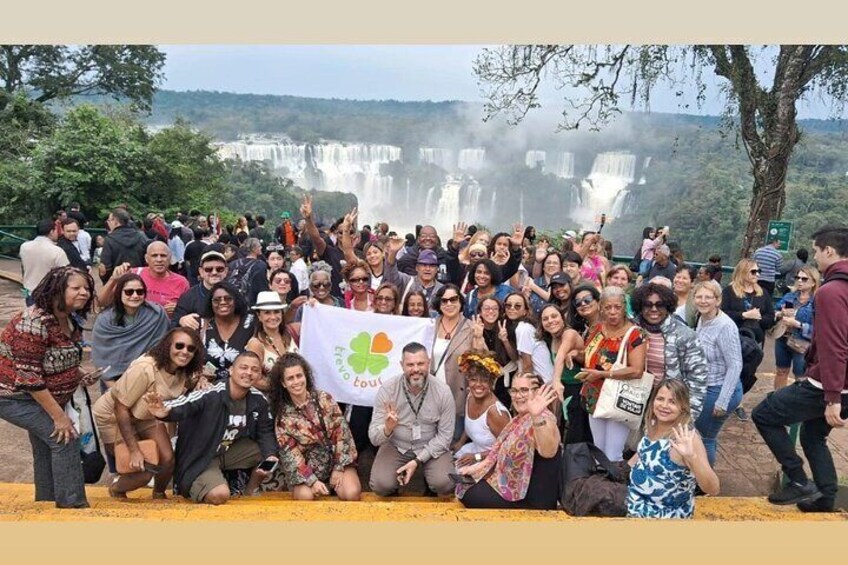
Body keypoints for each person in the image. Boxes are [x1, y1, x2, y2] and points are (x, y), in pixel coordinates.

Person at [752, 225, 848, 513]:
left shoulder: (831, 291)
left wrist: (832, 396)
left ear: (829, 251)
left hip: (828, 385)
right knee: (812, 434)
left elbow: (835, 346)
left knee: (765, 414)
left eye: (817, 251)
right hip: (842, 384)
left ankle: (797, 479)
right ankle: (825, 497)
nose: (816, 258)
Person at [0, 266, 96, 508]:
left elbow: (58, 356)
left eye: (86, 288)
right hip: (13, 397)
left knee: (45, 446)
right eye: (76, 288)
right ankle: (72, 506)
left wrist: (78, 374)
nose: (84, 292)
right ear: (56, 291)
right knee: (64, 439)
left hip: (41, 394)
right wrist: (60, 417)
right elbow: (29, 378)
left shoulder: (69, 318)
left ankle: (46, 503)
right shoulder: (32, 323)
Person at [144, 351, 278, 505]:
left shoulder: (258, 399)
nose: (248, 373)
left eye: (255, 370)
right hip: (202, 456)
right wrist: (165, 411)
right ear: (231, 370)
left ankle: (250, 490)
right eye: (244, 367)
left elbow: (265, 432)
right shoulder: (212, 392)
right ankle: (200, 483)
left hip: (227, 452)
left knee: (268, 450)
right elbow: (186, 403)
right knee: (219, 495)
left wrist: (270, 455)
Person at [93, 328, 205, 498]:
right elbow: (120, 407)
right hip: (114, 416)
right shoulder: (145, 368)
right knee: (142, 472)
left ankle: (159, 495)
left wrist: (201, 381)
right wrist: (134, 449)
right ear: (167, 346)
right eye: (179, 346)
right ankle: (117, 490)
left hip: (145, 414)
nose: (185, 352)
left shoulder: (186, 370)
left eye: (191, 349)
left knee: (167, 460)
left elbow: (182, 390)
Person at [455, 373, 561, 509]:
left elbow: (548, 451)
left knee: (468, 493)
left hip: (532, 498)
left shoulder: (545, 418)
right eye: (515, 391)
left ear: (537, 393)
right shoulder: (519, 419)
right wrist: (477, 467)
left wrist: (536, 417)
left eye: (524, 390)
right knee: (464, 484)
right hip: (512, 487)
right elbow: (499, 453)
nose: (518, 395)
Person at [269, 353, 361, 500]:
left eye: (299, 376)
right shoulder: (283, 418)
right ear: (283, 383)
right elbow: (291, 456)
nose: (296, 381)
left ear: (306, 376)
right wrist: (312, 481)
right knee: (306, 497)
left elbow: (342, 433)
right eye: (290, 378)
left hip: (337, 463)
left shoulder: (325, 398)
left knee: (351, 493)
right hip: (308, 471)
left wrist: (338, 468)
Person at [368, 342, 456, 497]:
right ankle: (394, 485)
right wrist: (387, 429)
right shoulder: (388, 389)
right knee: (380, 485)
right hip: (396, 445)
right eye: (410, 364)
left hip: (429, 446)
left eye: (420, 363)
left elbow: (445, 437)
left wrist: (418, 460)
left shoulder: (443, 391)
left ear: (429, 363)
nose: (416, 369)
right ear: (402, 365)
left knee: (444, 482)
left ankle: (430, 485)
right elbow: (374, 438)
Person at [627, 379, 720, 518]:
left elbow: (713, 489)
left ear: (683, 407)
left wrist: (692, 458)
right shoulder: (652, 425)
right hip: (634, 506)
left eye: (672, 402)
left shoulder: (687, 438)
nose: (664, 406)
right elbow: (643, 454)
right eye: (660, 399)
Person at [578, 286, 647, 462]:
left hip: (619, 398)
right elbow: (588, 356)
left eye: (617, 307)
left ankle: (613, 488)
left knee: (613, 453)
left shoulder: (635, 333)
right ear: (601, 308)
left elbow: (637, 370)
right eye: (608, 307)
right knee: (598, 449)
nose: (613, 312)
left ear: (625, 307)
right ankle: (599, 487)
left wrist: (602, 375)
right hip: (594, 395)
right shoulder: (597, 329)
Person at [631, 283, 707, 419]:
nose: (654, 309)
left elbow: (698, 378)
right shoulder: (630, 329)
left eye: (660, 305)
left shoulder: (685, 335)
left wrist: (689, 417)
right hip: (633, 401)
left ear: (668, 307)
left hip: (668, 407)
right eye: (648, 305)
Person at [691, 280, 743, 466]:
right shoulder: (702, 318)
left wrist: (722, 401)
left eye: (708, 297)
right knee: (700, 434)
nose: (703, 301)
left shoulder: (725, 326)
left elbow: (735, 364)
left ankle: (704, 483)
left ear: (718, 300)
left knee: (705, 437)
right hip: (706, 386)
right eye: (699, 296)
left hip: (720, 389)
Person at [92, 273, 170, 388]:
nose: (135, 295)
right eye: (129, 292)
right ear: (119, 293)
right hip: (113, 382)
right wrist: (115, 390)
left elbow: (164, 347)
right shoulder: (105, 320)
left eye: (140, 292)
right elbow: (101, 359)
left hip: (150, 379)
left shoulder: (157, 314)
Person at [430, 285, 487, 436]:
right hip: (430, 396)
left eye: (453, 299)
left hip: (457, 396)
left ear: (461, 301)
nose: (449, 304)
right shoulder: (430, 325)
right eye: (444, 301)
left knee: (452, 442)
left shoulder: (471, 327)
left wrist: (478, 338)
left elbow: (483, 363)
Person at [542, 304, 592, 444]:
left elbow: (560, 356)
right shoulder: (552, 338)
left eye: (554, 316)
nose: (550, 321)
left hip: (580, 390)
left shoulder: (569, 333)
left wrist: (556, 381)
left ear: (562, 318)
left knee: (577, 436)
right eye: (545, 318)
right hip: (566, 390)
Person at [100, 241, 189, 319]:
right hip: (133, 330)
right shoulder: (134, 274)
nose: (159, 260)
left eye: (163, 256)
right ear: (146, 258)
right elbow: (102, 302)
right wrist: (113, 279)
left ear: (170, 259)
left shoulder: (181, 282)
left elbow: (188, 312)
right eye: (154, 256)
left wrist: (178, 310)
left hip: (164, 333)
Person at [452, 350, 511, 465]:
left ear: (491, 382)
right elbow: (472, 426)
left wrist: (477, 457)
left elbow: (508, 449)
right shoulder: (470, 396)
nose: (478, 385)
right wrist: (460, 443)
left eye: (484, 380)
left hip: (494, 461)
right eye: (473, 379)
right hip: (473, 451)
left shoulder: (496, 413)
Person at [773, 265, 819, 389]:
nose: (799, 280)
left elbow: (820, 329)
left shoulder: (818, 301)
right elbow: (774, 311)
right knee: (781, 371)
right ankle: (778, 402)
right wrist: (780, 313)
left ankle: (797, 406)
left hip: (802, 344)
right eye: (797, 277)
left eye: (804, 279)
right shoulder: (789, 296)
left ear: (814, 282)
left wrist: (799, 325)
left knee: (801, 378)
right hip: (782, 339)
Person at [201, 282, 256, 383]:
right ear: (210, 303)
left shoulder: (251, 322)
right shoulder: (202, 325)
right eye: (217, 300)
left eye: (228, 298)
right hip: (209, 389)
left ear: (236, 300)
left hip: (245, 388)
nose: (222, 302)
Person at [246, 291, 299, 389]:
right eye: (267, 313)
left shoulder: (290, 333)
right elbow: (254, 379)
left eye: (276, 311)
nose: (273, 317)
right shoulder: (256, 344)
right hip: (271, 399)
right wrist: (282, 388)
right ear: (259, 316)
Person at [721, 258, 775, 347]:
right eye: (753, 272)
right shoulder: (729, 291)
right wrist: (743, 315)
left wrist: (758, 318)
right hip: (732, 338)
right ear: (743, 272)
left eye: (759, 271)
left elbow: (770, 317)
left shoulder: (763, 292)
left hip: (755, 340)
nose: (757, 274)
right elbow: (722, 314)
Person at [174, 251, 230, 330]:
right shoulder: (188, 297)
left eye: (219, 269)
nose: (214, 272)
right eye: (208, 269)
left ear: (226, 271)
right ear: (201, 271)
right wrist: (182, 320)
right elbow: (174, 324)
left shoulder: (235, 295)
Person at [384, 237, 444, 309]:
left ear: (437, 269)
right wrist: (393, 253)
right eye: (424, 265)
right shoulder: (407, 281)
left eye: (432, 266)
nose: (427, 269)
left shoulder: (443, 290)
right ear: (417, 268)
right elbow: (391, 276)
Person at [19, 219, 69, 304]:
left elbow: (23, 268)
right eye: (56, 230)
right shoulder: (57, 251)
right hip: (48, 294)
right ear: (51, 231)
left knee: (31, 315)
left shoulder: (24, 247)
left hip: (28, 291)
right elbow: (65, 274)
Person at [100, 207, 150, 282]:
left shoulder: (109, 239)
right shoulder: (141, 236)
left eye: (109, 220)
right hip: (139, 281)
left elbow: (106, 268)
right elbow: (147, 261)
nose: (108, 223)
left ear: (115, 221)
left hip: (117, 283)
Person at [227, 237, 270, 306]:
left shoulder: (233, 263)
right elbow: (262, 286)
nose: (261, 247)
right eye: (259, 246)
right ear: (253, 249)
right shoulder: (260, 265)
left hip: (233, 299)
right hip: (252, 301)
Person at [525, 250, 563, 315]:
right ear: (543, 267)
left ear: (560, 267)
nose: (551, 265)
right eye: (548, 262)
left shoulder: (564, 285)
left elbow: (556, 302)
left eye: (555, 263)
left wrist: (533, 287)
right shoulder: (533, 282)